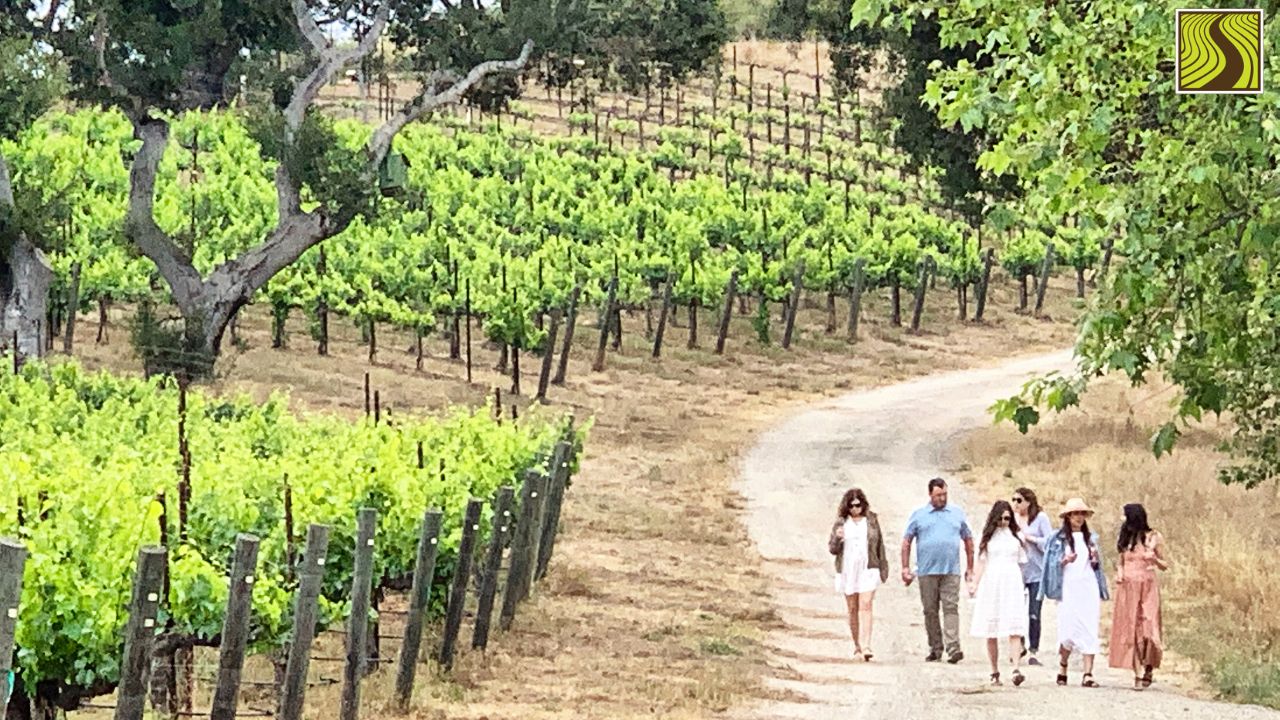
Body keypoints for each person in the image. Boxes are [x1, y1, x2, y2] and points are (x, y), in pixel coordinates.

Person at [1039, 498, 1110, 688]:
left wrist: (1095, 559)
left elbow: (1096, 567)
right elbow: (1050, 565)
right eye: (1075, 514)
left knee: (1089, 628)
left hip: (1087, 586)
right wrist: (1064, 561)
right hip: (1068, 587)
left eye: (1082, 514)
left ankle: (1088, 673)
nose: (1079, 517)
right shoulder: (1057, 539)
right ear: (1069, 516)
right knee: (1067, 631)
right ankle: (1063, 665)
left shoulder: (1091, 539)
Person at [902, 477, 974, 664]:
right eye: (938, 495)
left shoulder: (957, 513)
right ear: (930, 495)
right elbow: (907, 540)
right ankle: (935, 647)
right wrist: (905, 567)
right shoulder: (919, 515)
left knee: (951, 607)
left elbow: (968, 539)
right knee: (930, 610)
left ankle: (953, 648)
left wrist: (970, 566)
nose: (942, 498)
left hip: (951, 569)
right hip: (926, 570)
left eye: (944, 494)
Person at [968, 501, 1030, 686]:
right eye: (1001, 518)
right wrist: (974, 584)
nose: (1004, 522)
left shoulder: (1016, 536)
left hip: (1011, 579)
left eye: (1007, 518)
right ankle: (994, 671)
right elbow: (981, 562)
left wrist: (1024, 584)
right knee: (991, 628)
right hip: (992, 580)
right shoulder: (987, 537)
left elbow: (1022, 562)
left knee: (1014, 626)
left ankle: (1016, 668)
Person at [1110, 503, 1168, 690]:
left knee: (1149, 626)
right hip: (1128, 586)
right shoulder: (1126, 538)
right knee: (1132, 628)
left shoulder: (1153, 537)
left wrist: (1155, 560)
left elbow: (1165, 564)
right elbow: (1120, 561)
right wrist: (1119, 573)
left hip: (1148, 586)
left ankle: (1149, 664)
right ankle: (1137, 672)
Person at [828, 487, 889, 661]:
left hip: (868, 567)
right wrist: (837, 539)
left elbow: (880, 545)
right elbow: (832, 549)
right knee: (853, 608)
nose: (855, 509)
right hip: (848, 568)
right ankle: (857, 646)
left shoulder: (871, 520)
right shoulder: (841, 523)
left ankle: (867, 645)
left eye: (858, 505)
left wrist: (883, 567)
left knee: (867, 604)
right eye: (852, 506)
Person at [1012, 487, 1053, 665]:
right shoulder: (1011, 519)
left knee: (1034, 612)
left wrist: (1032, 539)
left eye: (1019, 500)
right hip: (1018, 571)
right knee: (1016, 610)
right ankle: (1018, 645)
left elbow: (1050, 542)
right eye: (1013, 500)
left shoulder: (1040, 518)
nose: (1015, 504)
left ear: (1029, 502)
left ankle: (1033, 650)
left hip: (1036, 571)